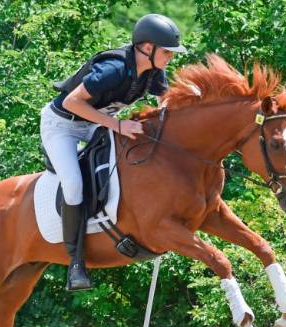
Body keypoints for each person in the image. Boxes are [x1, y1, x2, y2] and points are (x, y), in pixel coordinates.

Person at [40, 13, 186, 291]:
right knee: (72, 186)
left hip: (98, 124)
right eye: (167, 51)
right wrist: (118, 124)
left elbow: (165, 102)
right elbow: (72, 102)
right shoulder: (113, 69)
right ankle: (75, 264)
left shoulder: (154, 71)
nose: (171, 57)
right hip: (64, 125)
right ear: (146, 48)